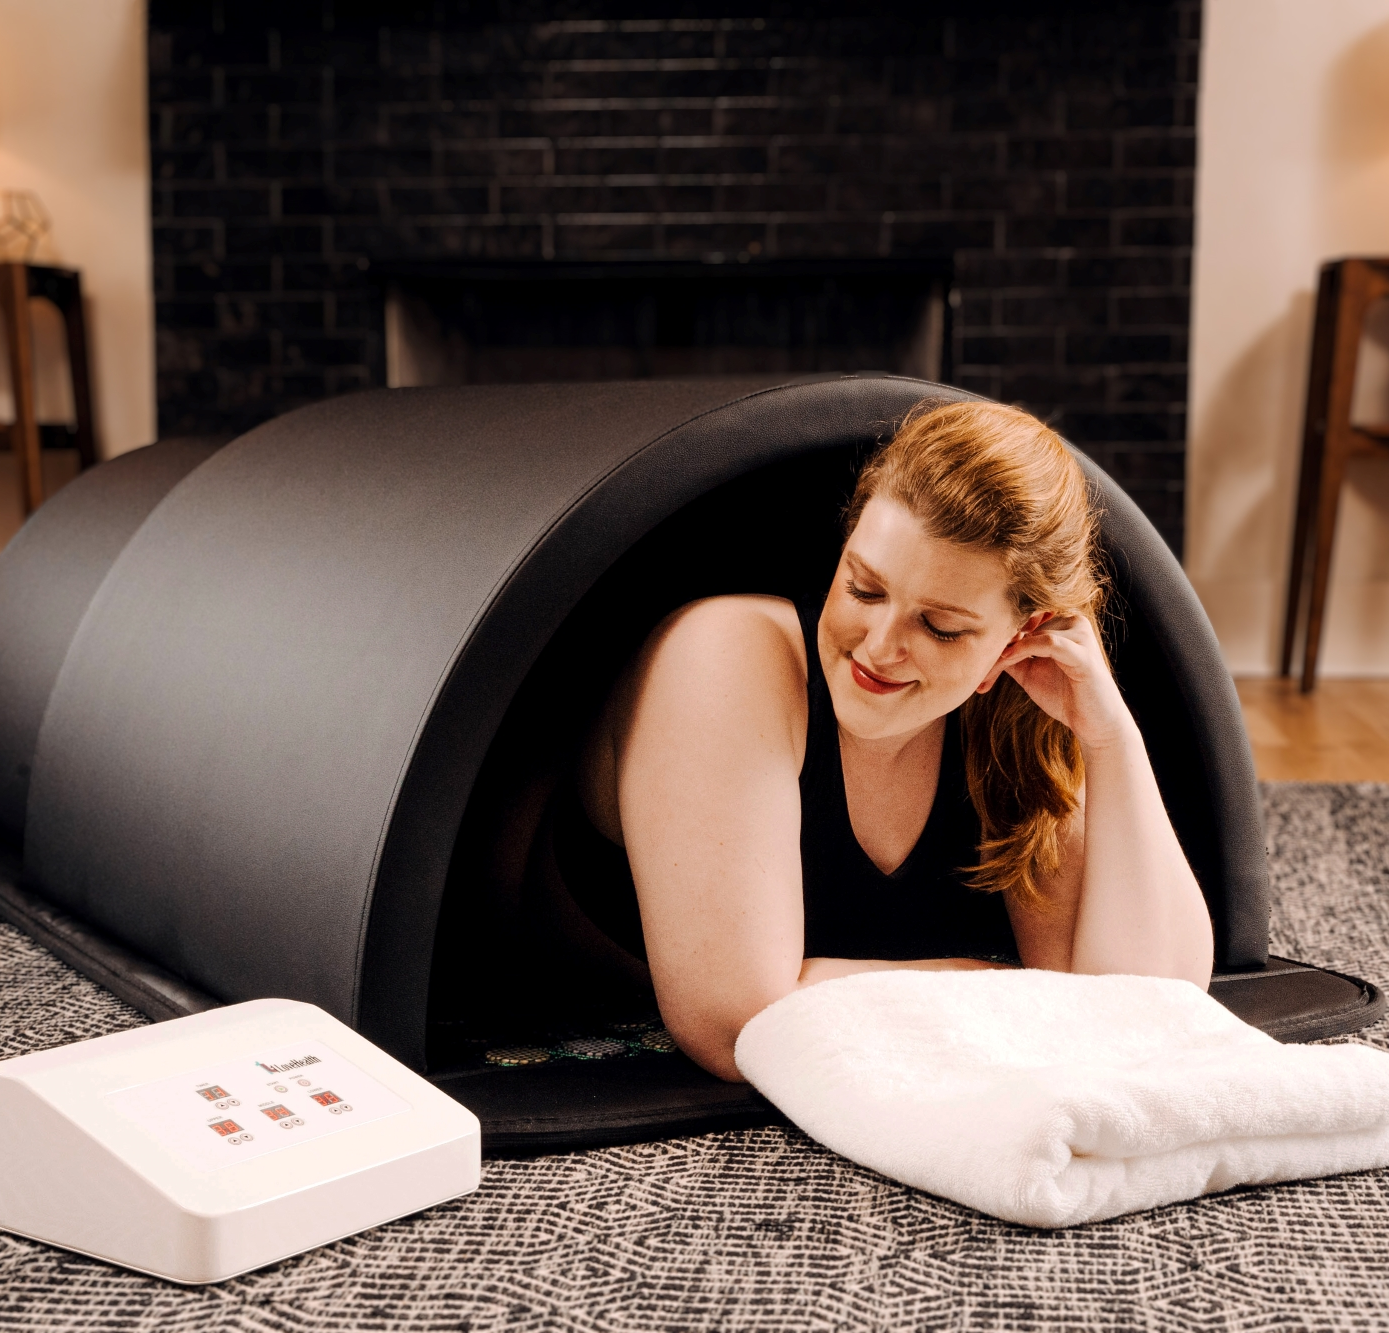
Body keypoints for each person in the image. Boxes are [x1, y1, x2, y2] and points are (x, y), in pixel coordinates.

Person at [519, 398, 1214, 1082]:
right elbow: (733, 1022)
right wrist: (988, 982)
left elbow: (1140, 1008)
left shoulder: (1020, 710)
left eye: (940, 627)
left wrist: (1109, 736)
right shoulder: (723, 656)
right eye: (864, 589)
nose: (878, 647)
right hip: (508, 952)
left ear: (1022, 635)